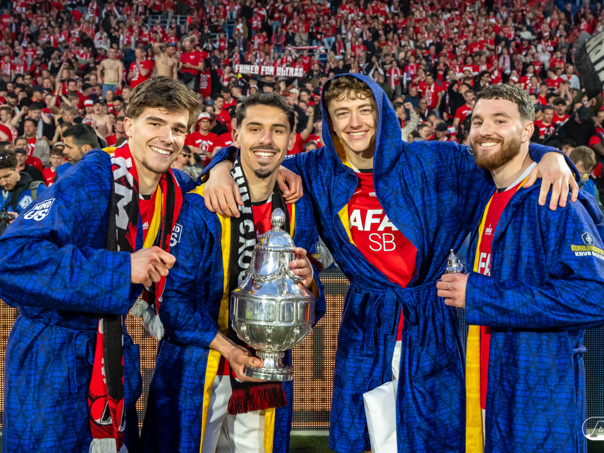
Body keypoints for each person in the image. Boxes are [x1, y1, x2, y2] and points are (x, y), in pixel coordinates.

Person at [203, 74, 578, 452]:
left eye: (364, 110)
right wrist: (220, 165)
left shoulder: (435, 160)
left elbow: (497, 151)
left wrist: (551, 156)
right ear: (328, 122)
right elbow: (256, 155)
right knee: (363, 436)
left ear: (383, 112)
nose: (355, 122)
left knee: (432, 437)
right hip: (364, 328)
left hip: (430, 325)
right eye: (342, 113)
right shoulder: (316, 170)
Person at [0, 77, 199, 452]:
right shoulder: (90, 178)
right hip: (50, 355)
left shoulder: (175, 188)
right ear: (128, 126)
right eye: (155, 123)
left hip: (109, 351)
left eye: (178, 128)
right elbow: (10, 258)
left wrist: (224, 164)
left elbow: (219, 182)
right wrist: (121, 269)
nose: (167, 137)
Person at [140, 92, 324, 453]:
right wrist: (229, 349)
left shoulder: (299, 211)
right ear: (236, 135)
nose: (266, 140)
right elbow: (172, 304)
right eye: (255, 129)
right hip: (197, 370)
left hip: (265, 376)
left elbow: (313, 309)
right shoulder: (201, 205)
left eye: (278, 131)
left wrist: (309, 286)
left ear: (291, 139)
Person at [438, 84, 604, 453]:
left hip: (538, 403)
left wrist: (480, 295)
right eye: (477, 121)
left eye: (500, 120)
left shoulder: (556, 199)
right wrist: (550, 153)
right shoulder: (486, 192)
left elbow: (595, 297)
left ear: (527, 130)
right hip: (485, 392)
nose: (485, 130)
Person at [0, 149, 46, 217]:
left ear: (17, 168)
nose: (3, 183)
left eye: (7, 176)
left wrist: (20, 221)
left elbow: (53, 218)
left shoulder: (38, 190)